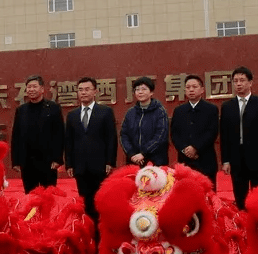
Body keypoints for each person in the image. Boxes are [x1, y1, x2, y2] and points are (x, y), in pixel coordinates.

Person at [64, 77, 118, 229]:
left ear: (95, 91)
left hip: (100, 165)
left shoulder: (105, 112)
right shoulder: (72, 115)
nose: (83, 93)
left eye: (87, 89)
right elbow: (69, 141)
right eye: (80, 90)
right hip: (80, 167)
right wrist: (69, 163)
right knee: (85, 203)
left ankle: (102, 236)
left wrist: (110, 161)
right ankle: (89, 237)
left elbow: (111, 138)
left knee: (100, 202)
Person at [219, 66, 258, 209]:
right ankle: (242, 224)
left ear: (250, 83)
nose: (238, 84)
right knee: (240, 196)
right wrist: (225, 160)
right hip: (236, 159)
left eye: (242, 80)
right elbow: (224, 135)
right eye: (235, 81)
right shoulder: (227, 106)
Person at [10, 75, 65, 193]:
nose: (31, 89)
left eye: (34, 86)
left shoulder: (53, 108)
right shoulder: (21, 110)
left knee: (48, 196)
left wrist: (57, 159)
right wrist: (16, 161)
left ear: (42, 89)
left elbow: (59, 134)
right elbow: (16, 136)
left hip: (48, 162)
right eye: (28, 87)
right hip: (27, 162)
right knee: (30, 196)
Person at [170, 74, 220, 182]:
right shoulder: (179, 111)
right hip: (185, 161)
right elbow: (174, 134)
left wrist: (195, 148)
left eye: (194, 87)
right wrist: (184, 149)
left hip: (206, 160)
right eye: (188, 87)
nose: (191, 90)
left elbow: (212, 132)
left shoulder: (211, 109)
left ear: (202, 89)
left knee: (208, 194)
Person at [119, 76, 170, 168]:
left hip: (155, 161)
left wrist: (144, 153)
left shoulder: (160, 111)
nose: (140, 92)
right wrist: (132, 154)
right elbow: (124, 135)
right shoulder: (130, 113)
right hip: (134, 161)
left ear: (151, 92)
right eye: (137, 89)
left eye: (144, 89)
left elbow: (160, 136)